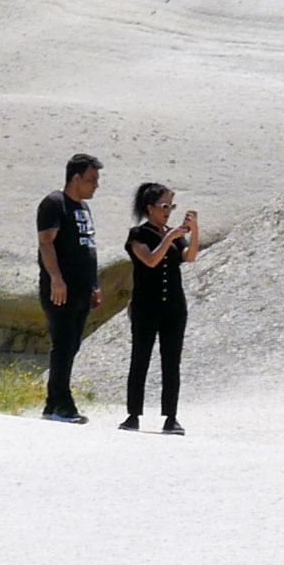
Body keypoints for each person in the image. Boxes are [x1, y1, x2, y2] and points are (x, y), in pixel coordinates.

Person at [121, 180, 197, 434]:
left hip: (174, 306)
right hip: (146, 306)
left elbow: (190, 256)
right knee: (140, 359)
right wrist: (169, 237)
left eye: (171, 206)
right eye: (164, 205)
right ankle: (133, 414)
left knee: (171, 361)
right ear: (150, 207)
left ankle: (171, 416)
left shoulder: (171, 234)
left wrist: (192, 231)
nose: (168, 211)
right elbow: (151, 260)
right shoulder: (138, 235)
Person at [35, 153, 101, 422]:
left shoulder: (83, 207)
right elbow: (46, 243)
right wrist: (56, 279)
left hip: (82, 289)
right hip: (60, 289)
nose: (96, 185)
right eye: (91, 179)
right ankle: (64, 405)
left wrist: (94, 285)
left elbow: (88, 247)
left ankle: (53, 404)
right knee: (62, 344)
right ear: (76, 177)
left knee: (71, 344)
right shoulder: (54, 203)